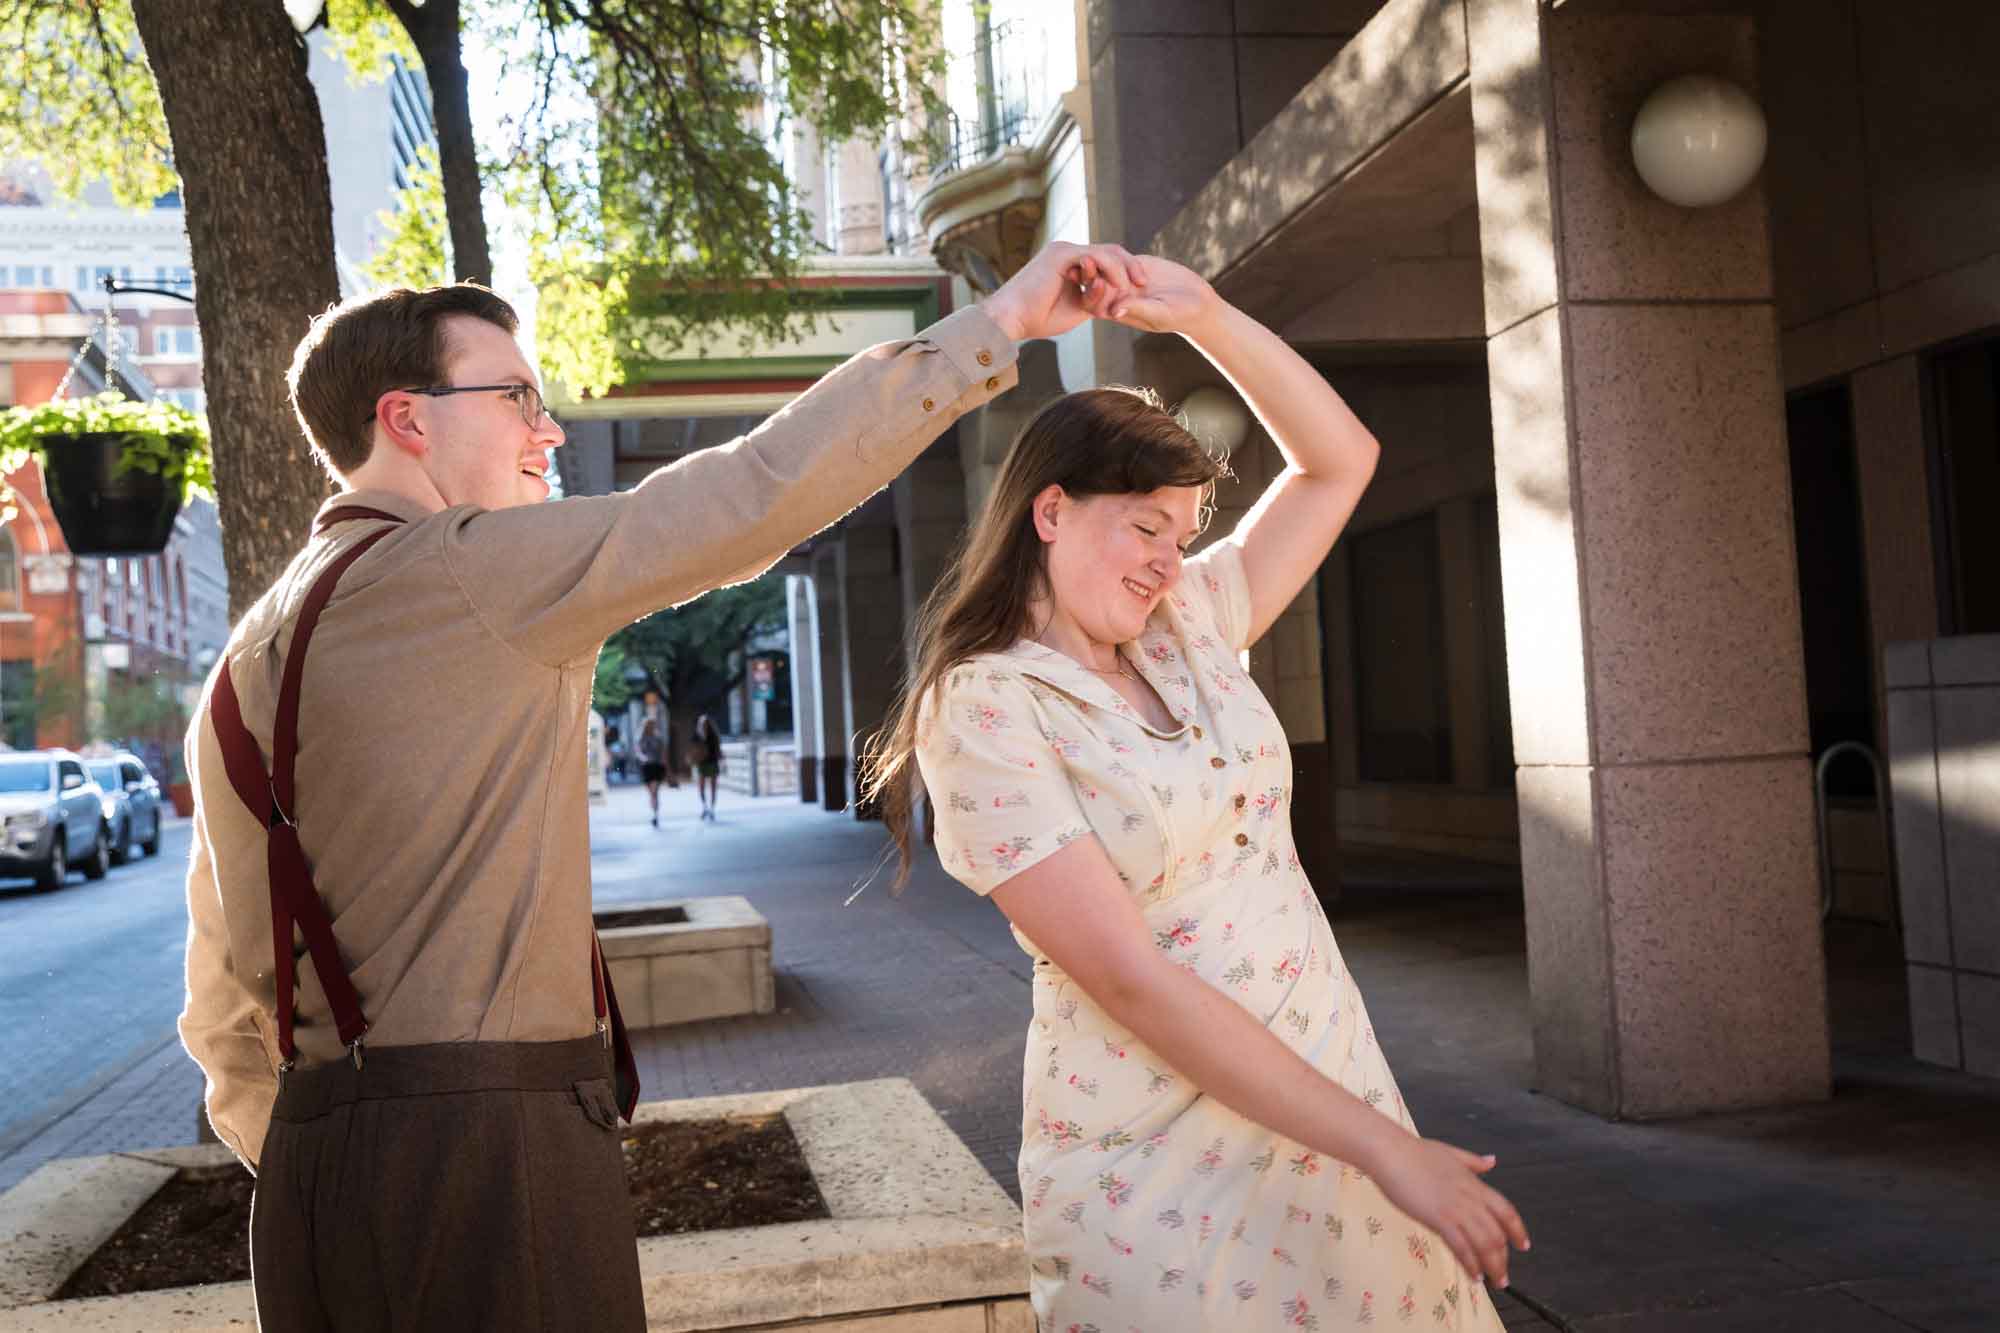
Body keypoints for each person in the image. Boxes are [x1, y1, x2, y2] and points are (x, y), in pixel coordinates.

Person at [177, 239, 1140, 1332]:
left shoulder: (250, 649)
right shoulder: (466, 564)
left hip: (311, 1164)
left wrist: (322, 1149)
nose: (546, 430)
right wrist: (999, 323)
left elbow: (222, 986)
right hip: (489, 1147)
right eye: (519, 398)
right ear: (409, 419)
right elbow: (752, 492)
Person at [866, 250, 1528, 1331]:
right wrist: (1386, 1149)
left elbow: (1337, 460)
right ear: (1049, 511)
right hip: (1151, 1161)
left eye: (1180, 536)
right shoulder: (983, 707)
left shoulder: (1190, 627)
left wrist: (1209, 316)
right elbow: (1124, 977)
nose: (1167, 563)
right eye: (1142, 528)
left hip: (1319, 1092)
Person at [691, 714, 723, 821]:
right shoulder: (696, 736)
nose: (704, 725)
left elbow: (718, 750)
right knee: (701, 787)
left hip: (712, 762)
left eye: (705, 723)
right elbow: (693, 750)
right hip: (701, 763)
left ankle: (712, 808)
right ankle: (705, 806)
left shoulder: (714, 736)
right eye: (702, 723)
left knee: (713, 787)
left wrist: (722, 761)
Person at [636, 717, 667, 825]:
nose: (651, 727)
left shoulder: (659, 738)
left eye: (652, 725)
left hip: (657, 766)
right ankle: (654, 811)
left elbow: (663, 753)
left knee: (654, 791)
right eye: (649, 725)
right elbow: (638, 751)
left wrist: (666, 767)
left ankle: (655, 815)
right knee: (652, 793)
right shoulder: (641, 738)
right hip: (646, 767)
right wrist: (643, 758)